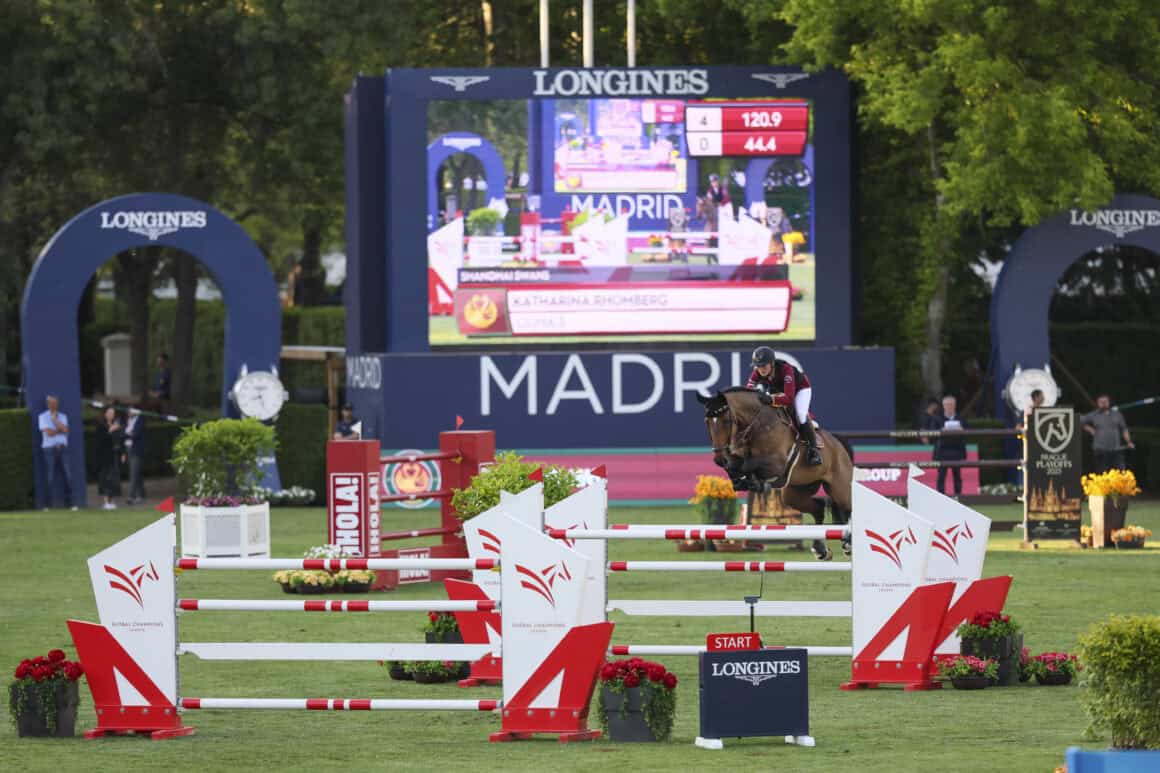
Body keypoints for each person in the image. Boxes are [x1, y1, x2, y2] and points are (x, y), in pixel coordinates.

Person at [746, 346, 822, 466]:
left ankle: (814, 450)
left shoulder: (786, 370)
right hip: (779, 391)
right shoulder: (757, 373)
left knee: (800, 415)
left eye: (764, 366)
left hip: (800, 389)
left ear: (772, 363)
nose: (761, 369)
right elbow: (748, 391)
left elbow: (789, 398)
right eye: (758, 366)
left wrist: (770, 399)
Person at [37, 395, 77, 511]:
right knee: (49, 476)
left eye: (56, 403)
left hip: (63, 448)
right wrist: (59, 429)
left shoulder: (63, 416)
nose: (55, 405)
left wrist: (55, 420)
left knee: (68, 475)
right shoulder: (42, 417)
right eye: (52, 403)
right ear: (48, 404)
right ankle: (47, 504)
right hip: (49, 449)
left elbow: (66, 430)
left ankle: (71, 503)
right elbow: (48, 433)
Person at [1082, 394, 1134, 473]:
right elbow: (1079, 421)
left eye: (1105, 401)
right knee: (1102, 473)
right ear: (1097, 403)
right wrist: (1090, 429)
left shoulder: (1117, 414)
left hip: (1116, 450)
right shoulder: (1093, 415)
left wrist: (1129, 442)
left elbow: (1124, 429)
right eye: (1101, 402)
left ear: (1109, 402)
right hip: (1100, 450)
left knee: (1121, 473)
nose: (1103, 403)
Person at [933, 395, 968, 497]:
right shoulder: (937, 418)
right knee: (941, 476)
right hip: (942, 451)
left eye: (951, 405)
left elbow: (968, 432)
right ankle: (940, 498)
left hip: (957, 450)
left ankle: (958, 497)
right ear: (943, 406)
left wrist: (962, 431)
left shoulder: (961, 418)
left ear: (955, 406)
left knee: (957, 475)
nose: (949, 407)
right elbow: (931, 434)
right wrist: (941, 431)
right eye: (947, 405)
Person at [96, 405, 125, 510]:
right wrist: (110, 430)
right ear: (105, 414)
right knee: (105, 478)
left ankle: (111, 500)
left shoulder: (115, 425)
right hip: (104, 456)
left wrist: (122, 453)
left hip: (114, 455)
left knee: (113, 478)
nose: (111, 415)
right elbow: (101, 440)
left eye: (113, 413)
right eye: (109, 413)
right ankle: (105, 501)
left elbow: (119, 440)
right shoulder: (101, 426)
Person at [123, 407, 146, 504]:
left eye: (130, 411)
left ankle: (130, 497)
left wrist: (127, 434)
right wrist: (128, 434)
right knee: (137, 473)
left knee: (133, 473)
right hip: (128, 449)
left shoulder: (140, 420)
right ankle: (140, 494)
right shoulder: (127, 421)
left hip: (136, 450)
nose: (128, 412)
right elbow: (124, 433)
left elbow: (135, 434)